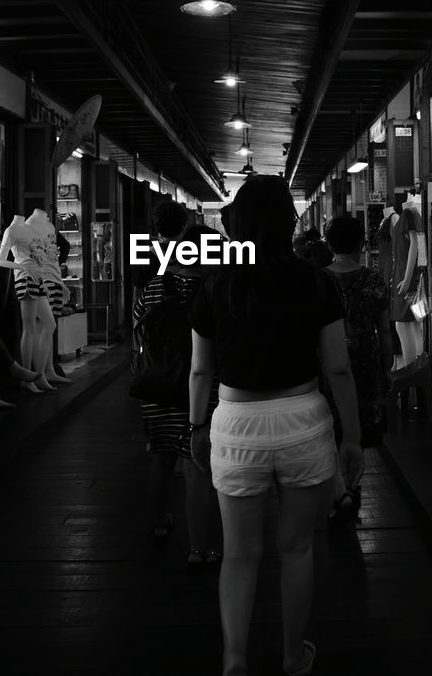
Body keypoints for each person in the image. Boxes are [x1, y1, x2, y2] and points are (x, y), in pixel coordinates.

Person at [189, 175, 363, 676]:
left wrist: (198, 428)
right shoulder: (316, 281)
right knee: (296, 548)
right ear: (290, 222)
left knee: (239, 554)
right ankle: (292, 657)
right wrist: (351, 436)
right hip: (302, 420)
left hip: (235, 422)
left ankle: (235, 660)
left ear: (237, 223)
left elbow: (200, 370)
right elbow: (338, 368)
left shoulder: (216, 283)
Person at [133, 223, 222, 564]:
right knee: (196, 463)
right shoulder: (213, 287)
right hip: (202, 386)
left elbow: (139, 327)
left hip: (157, 383)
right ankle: (199, 548)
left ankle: (158, 522)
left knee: (161, 454)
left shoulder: (156, 285)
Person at [323, 216, 391, 517]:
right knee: (357, 428)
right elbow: (385, 330)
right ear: (361, 243)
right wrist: (386, 365)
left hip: (327, 360)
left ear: (329, 244)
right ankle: (352, 486)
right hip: (365, 360)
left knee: (330, 427)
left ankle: (337, 491)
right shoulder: (373, 280)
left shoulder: (320, 279)